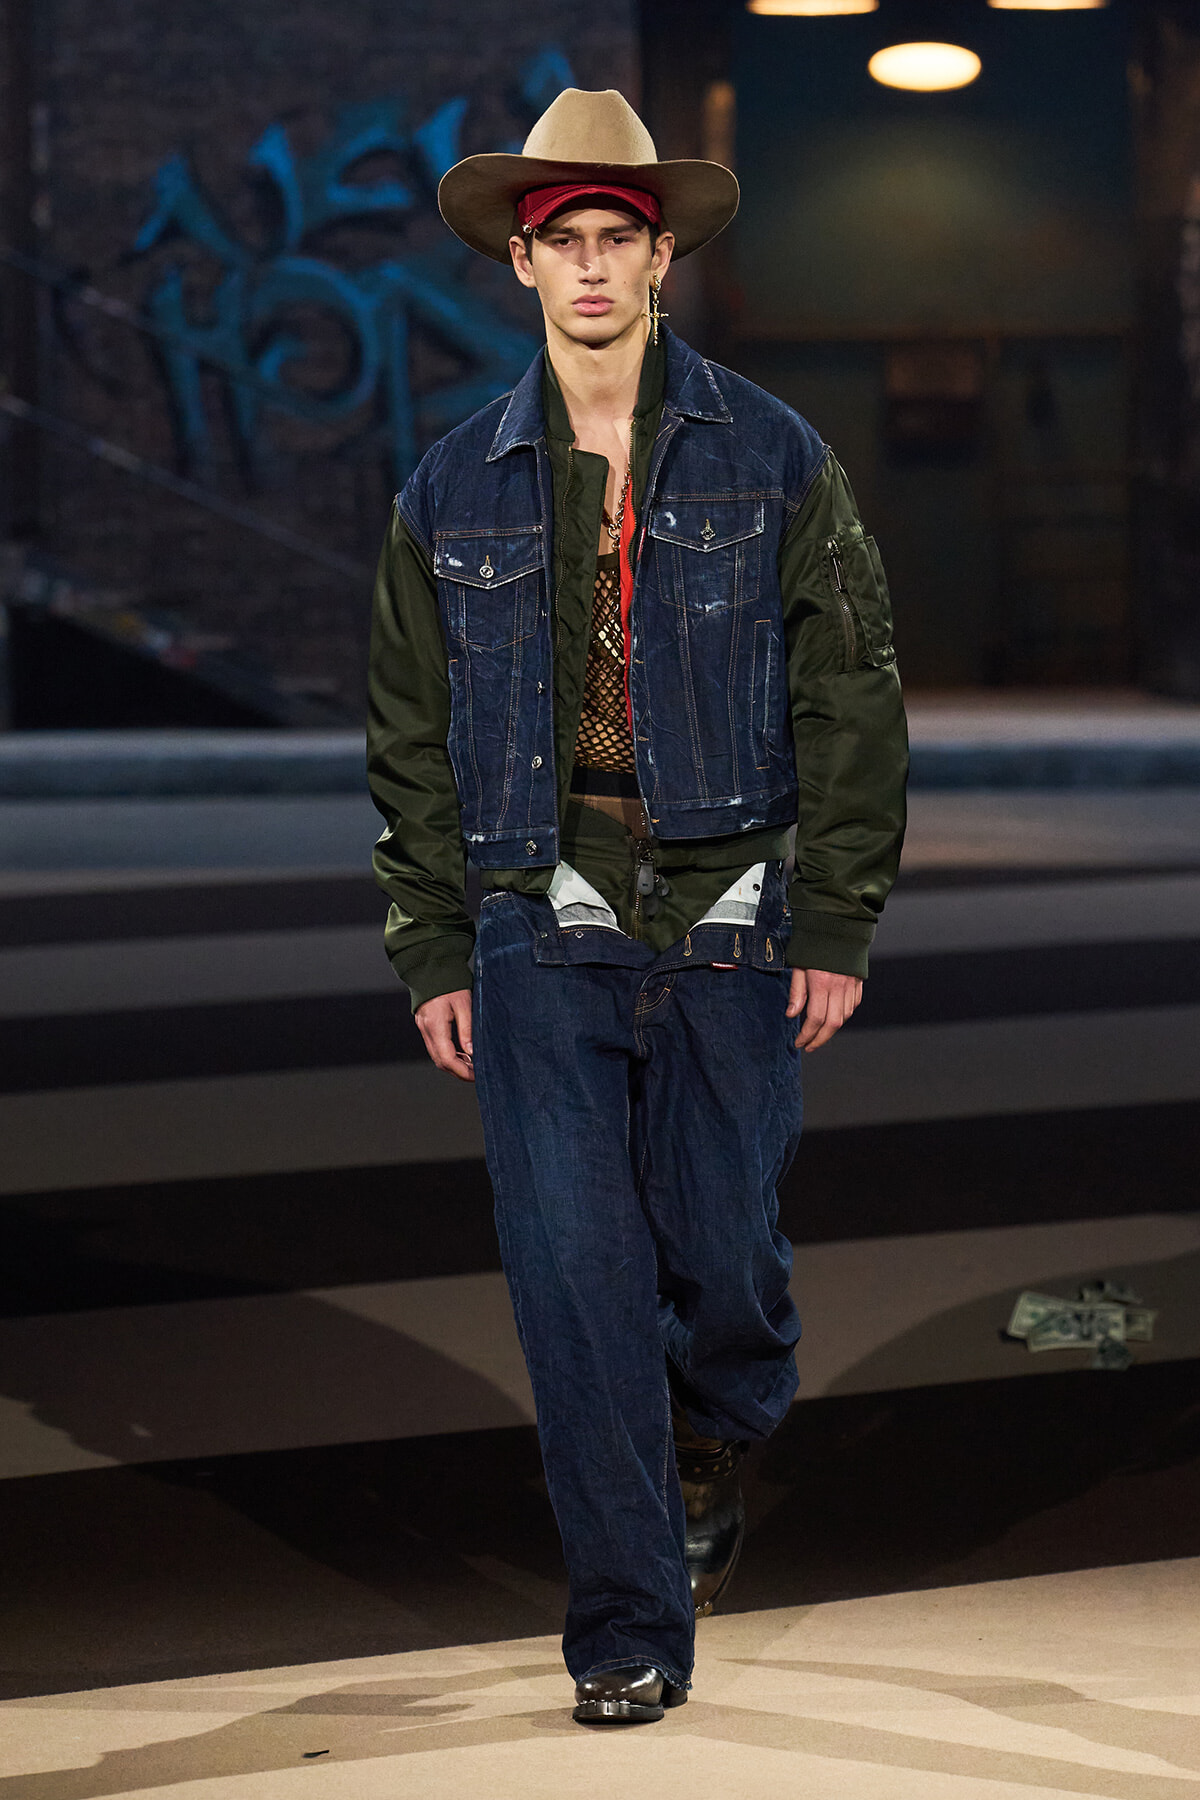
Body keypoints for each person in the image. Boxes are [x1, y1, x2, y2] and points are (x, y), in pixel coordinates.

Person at [367, 87, 907, 1726]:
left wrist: (835, 914)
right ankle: (626, 1627)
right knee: (574, 1279)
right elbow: (408, 732)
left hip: (733, 904)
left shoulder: (774, 453)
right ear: (521, 270)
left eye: (619, 238)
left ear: (661, 258)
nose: (592, 267)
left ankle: (712, 1421)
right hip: (539, 912)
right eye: (563, 243)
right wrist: (433, 940)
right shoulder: (451, 487)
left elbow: (853, 690)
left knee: (728, 1263)